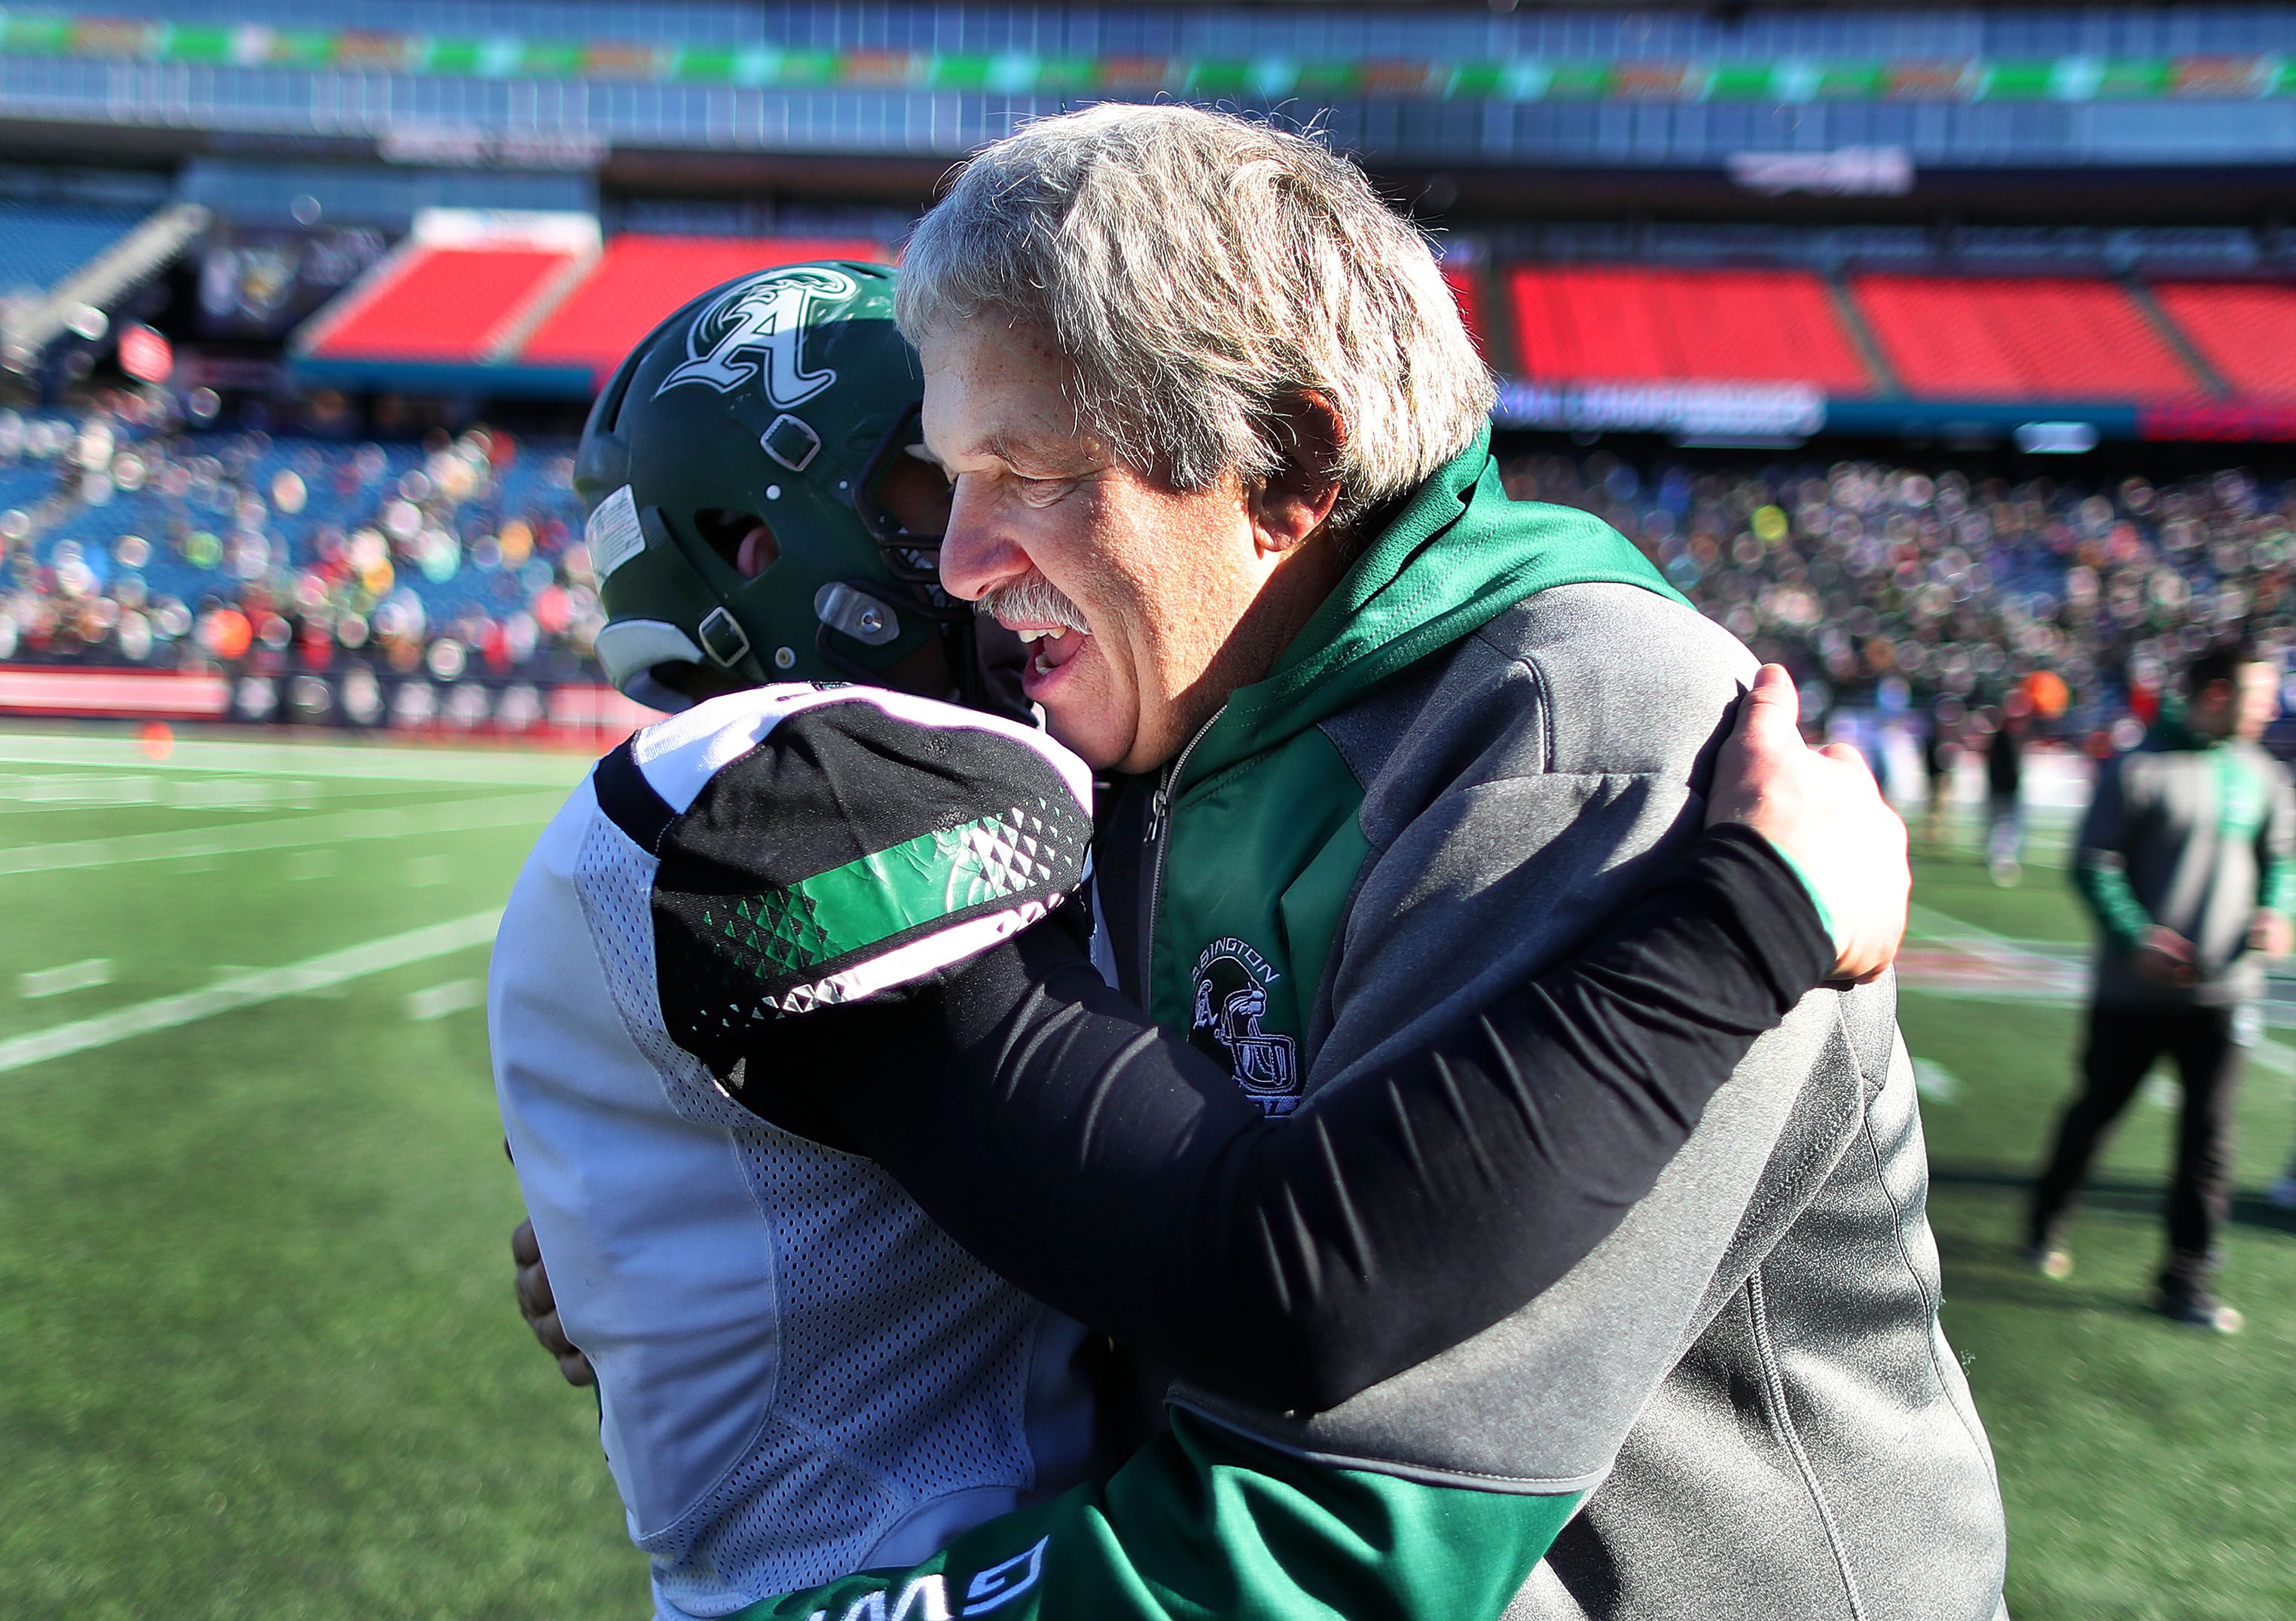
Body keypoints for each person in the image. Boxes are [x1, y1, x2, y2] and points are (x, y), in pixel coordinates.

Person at [695, 104, 2000, 1620]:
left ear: (1284, 466)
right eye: (953, 479)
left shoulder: (1593, 740)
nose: (966, 560)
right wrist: (733, 1242)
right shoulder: (1159, 708)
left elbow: (1345, 1545)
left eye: (1034, 470)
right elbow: (1125, 1206)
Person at [2026, 638, 2294, 1332]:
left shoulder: (2261, 773)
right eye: (2258, 695)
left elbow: (2280, 860)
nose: (2270, 708)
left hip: (2225, 993)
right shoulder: (2138, 765)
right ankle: (2048, 1217)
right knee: (2098, 1112)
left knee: (2210, 1137)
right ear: (2215, 695)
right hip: (2132, 994)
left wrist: (2277, 910)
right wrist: (2135, 935)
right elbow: (2095, 862)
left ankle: (2187, 1277)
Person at [1986, 700, 2028, 884]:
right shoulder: (2004, 738)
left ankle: (2001, 854)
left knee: (2004, 823)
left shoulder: (2007, 737)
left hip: (2004, 789)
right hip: (2004, 789)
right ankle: (2001, 856)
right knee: (2004, 824)